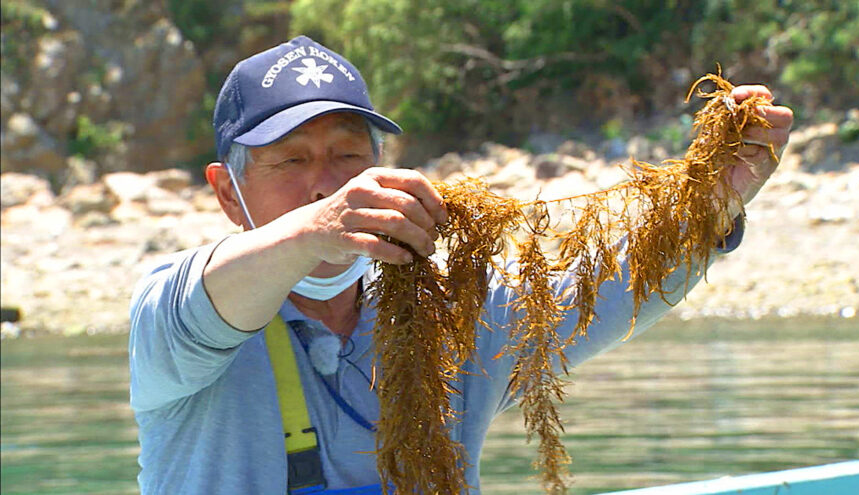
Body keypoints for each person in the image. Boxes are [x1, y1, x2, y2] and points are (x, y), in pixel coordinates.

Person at [129, 36, 793, 494]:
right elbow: (211, 295)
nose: (325, 184)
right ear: (226, 192)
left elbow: (604, 284)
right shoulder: (171, 324)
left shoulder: (445, 310)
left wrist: (714, 198)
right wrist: (313, 233)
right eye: (292, 161)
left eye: (348, 157)